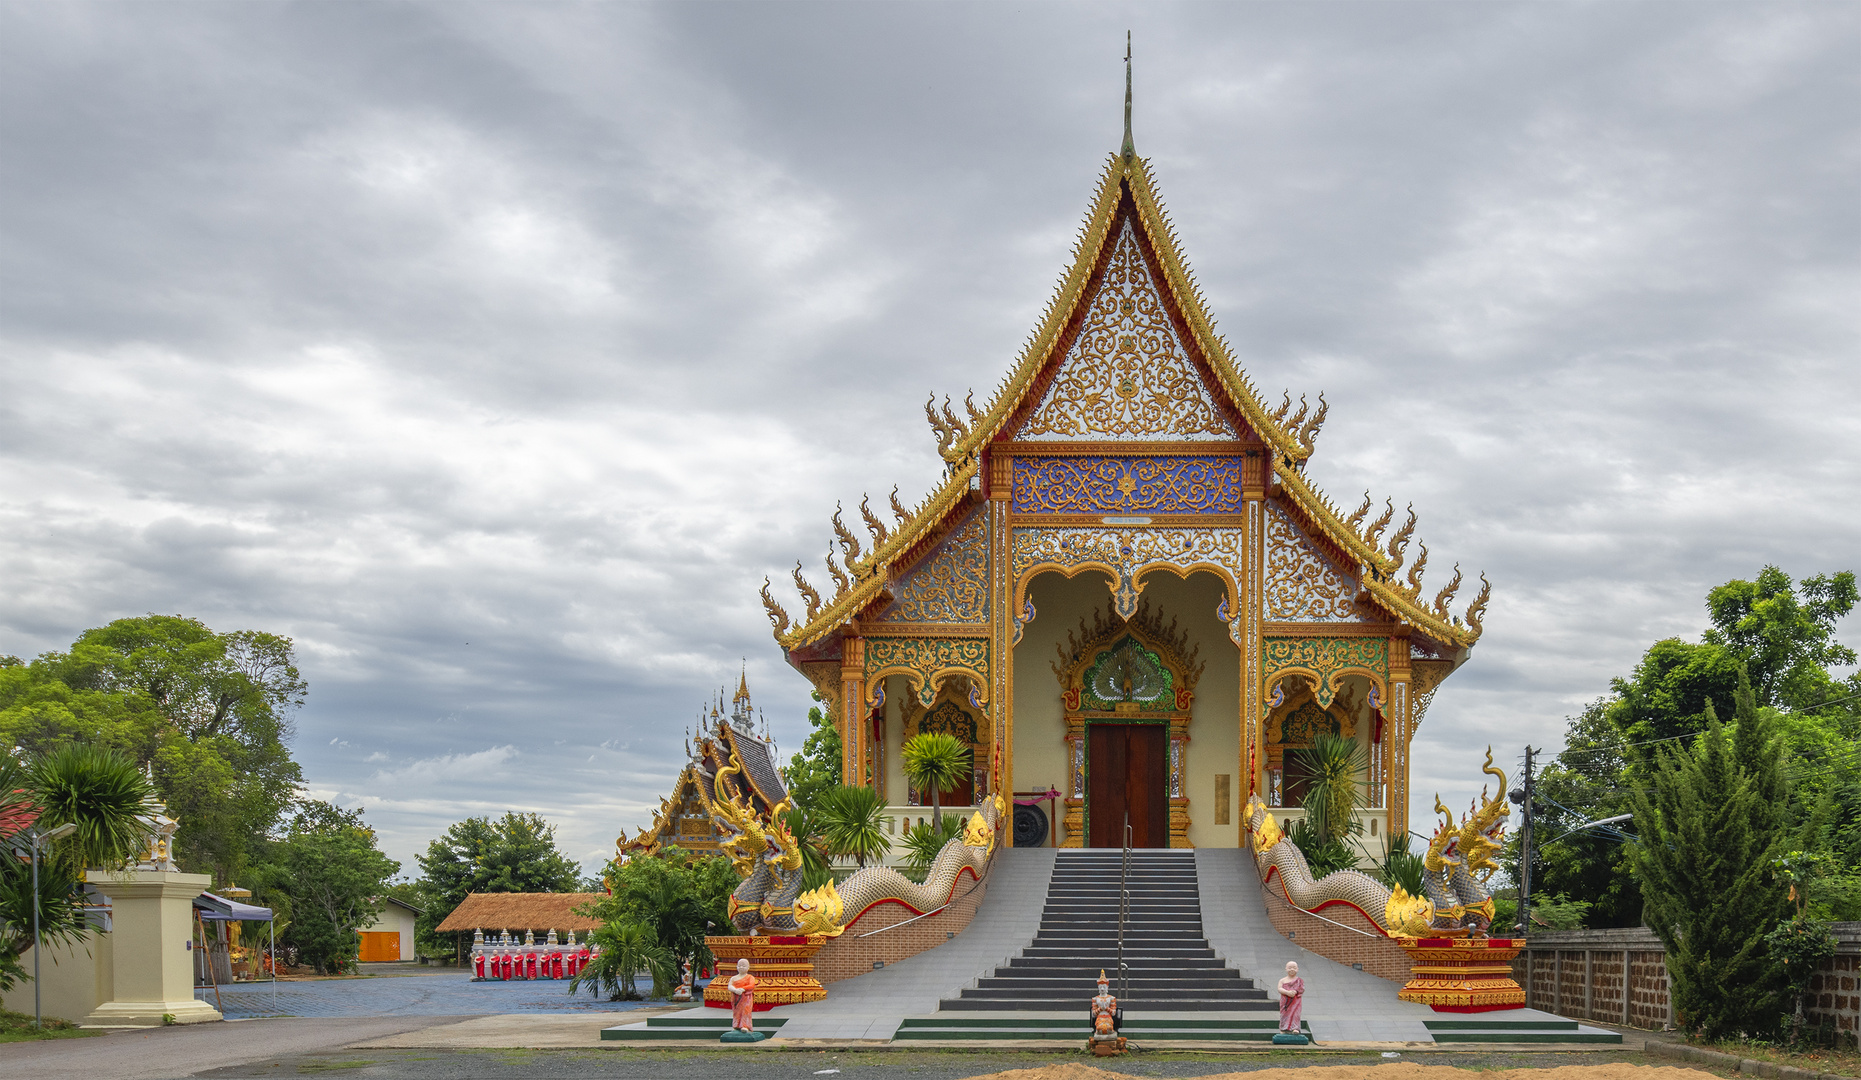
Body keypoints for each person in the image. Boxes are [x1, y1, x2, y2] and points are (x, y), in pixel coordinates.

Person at [727, 958, 758, 1032]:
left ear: (748, 967)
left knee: (746, 1010)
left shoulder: (750, 977)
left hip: (746, 998)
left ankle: (745, 1026)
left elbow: (751, 985)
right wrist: (735, 990)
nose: (741, 967)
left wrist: (743, 989)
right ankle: (736, 1025)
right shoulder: (734, 978)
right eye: (739, 966)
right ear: (736, 967)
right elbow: (730, 986)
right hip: (736, 998)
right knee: (736, 1012)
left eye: (743, 966)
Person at [1277, 960, 1304, 1033]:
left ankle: (1295, 1028)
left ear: (1297, 969)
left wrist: (1295, 991)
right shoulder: (1282, 980)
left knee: (1296, 1014)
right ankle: (1284, 1028)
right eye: (1290, 968)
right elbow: (1279, 988)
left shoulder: (1299, 980)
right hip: (1285, 1002)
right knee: (1284, 1014)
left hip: (1296, 1001)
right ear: (1286, 969)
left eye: (1294, 968)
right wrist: (1287, 992)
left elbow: (1301, 989)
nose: (1292, 969)